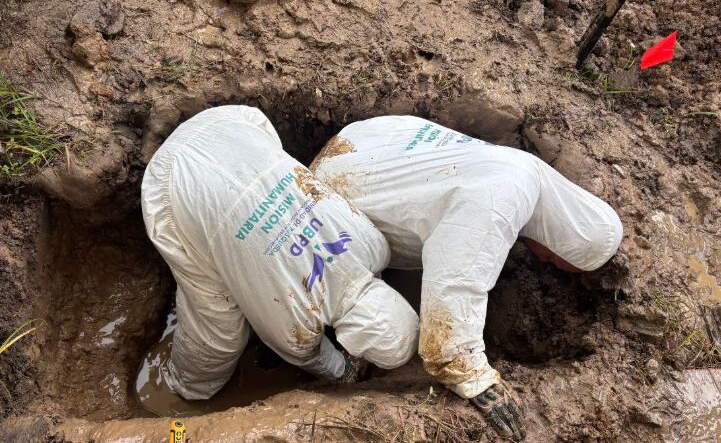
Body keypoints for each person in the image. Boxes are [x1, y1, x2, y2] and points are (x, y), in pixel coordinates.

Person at [311, 116, 623, 441]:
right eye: (550, 258)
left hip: (364, 142)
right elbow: (453, 285)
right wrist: (473, 377)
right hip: (331, 199)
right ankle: (339, 349)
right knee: (393, 338)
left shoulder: (528, 171)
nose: (542, 260)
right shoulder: (497, 205)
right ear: (557, 240)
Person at [140, 106, 419, 403]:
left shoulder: (376, 245)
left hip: (230, 125)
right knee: (221, 334)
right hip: (171, 188)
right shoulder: (296, 327)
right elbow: (312, 358)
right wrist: (343, 372)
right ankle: (180, 389)